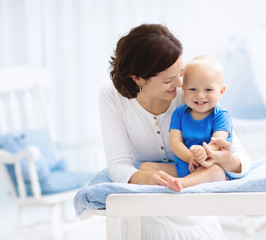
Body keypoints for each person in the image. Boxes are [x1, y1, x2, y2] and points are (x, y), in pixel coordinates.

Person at [99, 23, 251, 240]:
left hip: (196, 218)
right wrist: (145, 178)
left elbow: (242, 160)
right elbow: (118, 165)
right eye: (169, 79)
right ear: (137, 78)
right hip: (144, 217)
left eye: (180, 73)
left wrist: (226, 160)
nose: (180, 83)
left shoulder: (191, 94)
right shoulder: (111, 97)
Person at [140, 55, 233, 192]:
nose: (200, 95)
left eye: (208, 90)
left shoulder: (221, 115)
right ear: (183, 89)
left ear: (221, 91)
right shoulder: (179, 113)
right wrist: (191, 157)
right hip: (185, 165)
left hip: (209, 165)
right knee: (145, 167)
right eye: (193, 89)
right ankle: (173, 181)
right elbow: (175, 141)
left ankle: (181, 182)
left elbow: (218, 142)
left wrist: (203, 153)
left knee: (216, 171)